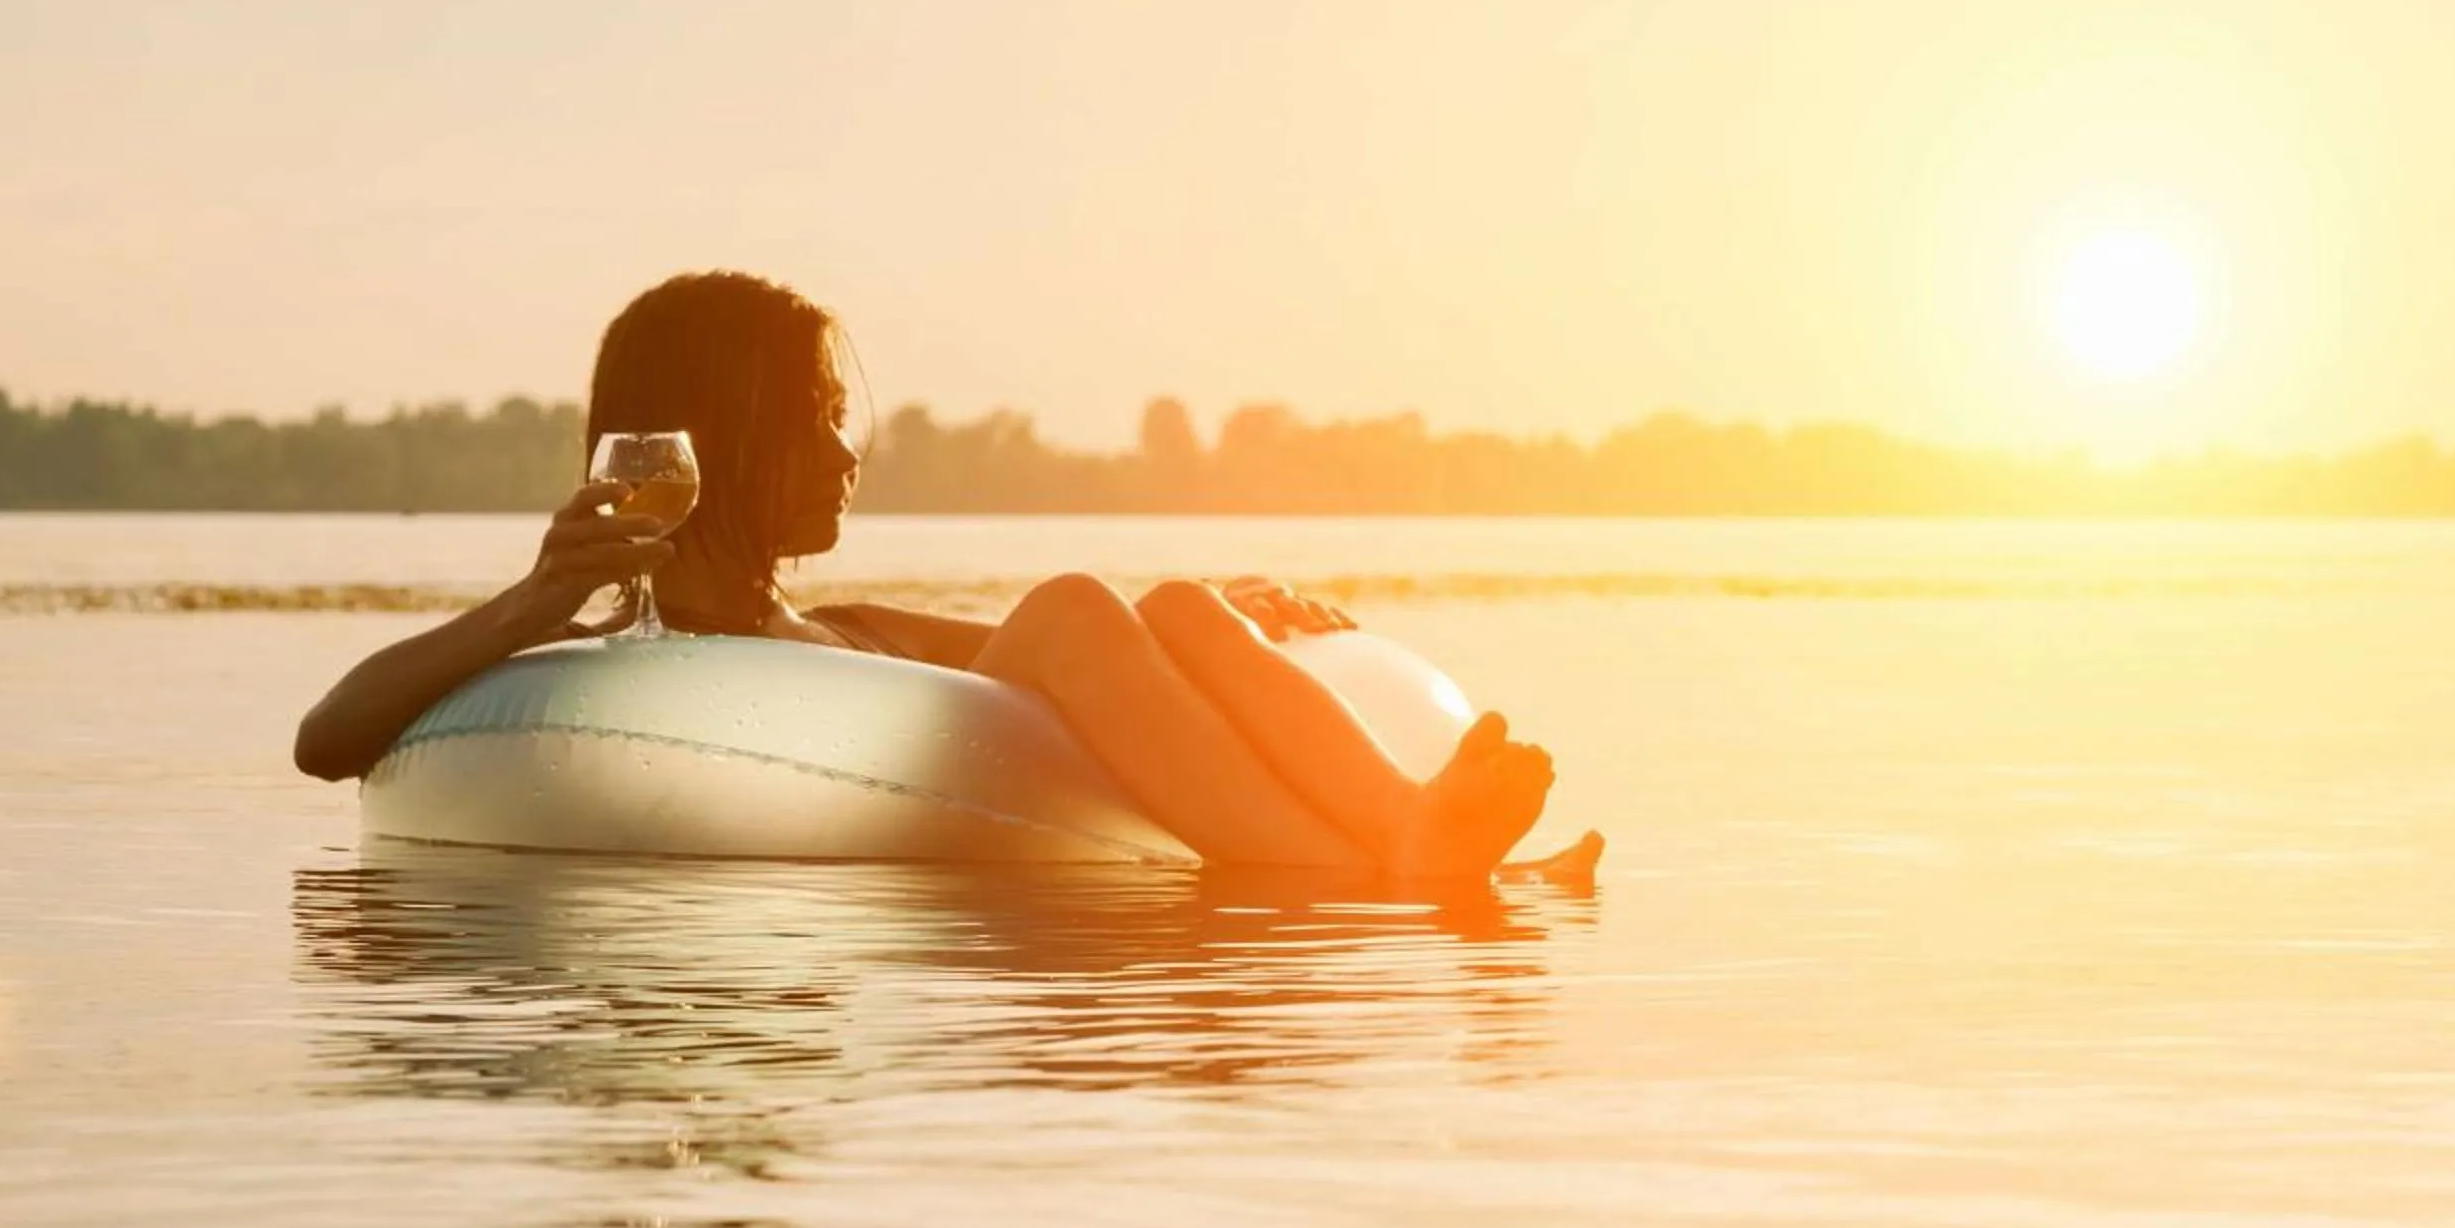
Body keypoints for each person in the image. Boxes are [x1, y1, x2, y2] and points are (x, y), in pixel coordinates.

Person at [293, 270, 1575, 878]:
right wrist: (537, 600)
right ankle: (1395, 865)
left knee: (1168, 606)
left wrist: (1220, 616)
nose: (848, 448)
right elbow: (328, 737)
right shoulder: (626, 650)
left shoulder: (841, 628)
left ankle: (1411, 831)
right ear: (720, 436)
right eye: (812, 414)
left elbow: (1084, 654)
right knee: (1078, 606)